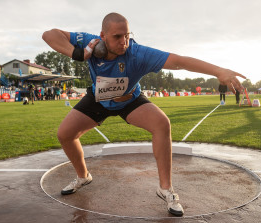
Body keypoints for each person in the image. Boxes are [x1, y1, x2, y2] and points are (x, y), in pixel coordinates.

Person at [42, 12, 245, 216]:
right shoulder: (90, 42)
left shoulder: (138, 53)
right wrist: (79, 54)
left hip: (129, 100)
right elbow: (50, 34)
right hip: (99, 99)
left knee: (162, 124)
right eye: (117, 37)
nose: (124, 42)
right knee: (65, 134)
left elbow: (179, 61)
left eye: (127, 35)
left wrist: (218, 71)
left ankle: (165, 189)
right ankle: (83, 176)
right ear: (103, 35)